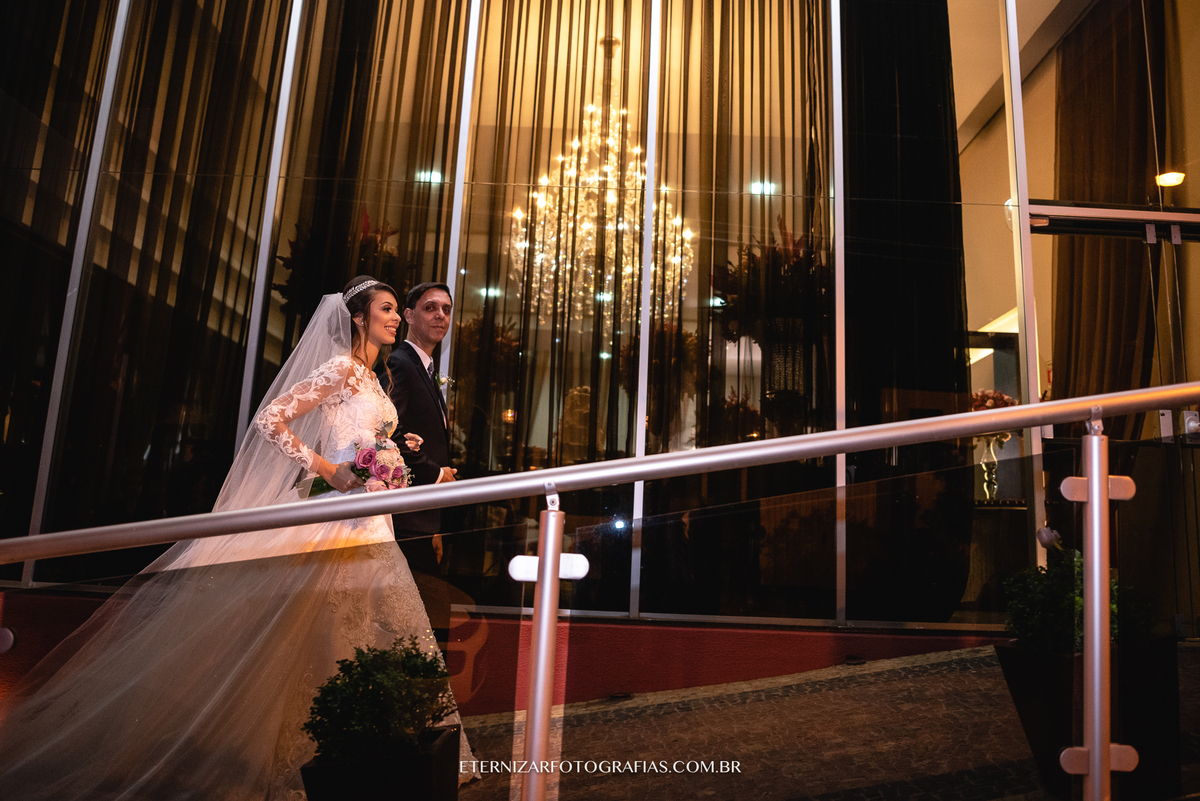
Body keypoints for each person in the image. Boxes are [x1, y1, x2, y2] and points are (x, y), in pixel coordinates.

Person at [0, 276, 477, 798]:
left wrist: (393, 447)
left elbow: (364, 437)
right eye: (387, 309)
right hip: (338, 516)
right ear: (359, 318)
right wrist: (331, 470)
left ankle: (369, 753)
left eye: (393, 310)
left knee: (368, 627)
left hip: (371, 520)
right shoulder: (341, 367)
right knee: (317, 629)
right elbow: (271, 419)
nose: (393, 317)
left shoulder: (372, 377)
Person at [376, 282, 456, 642]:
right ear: (408, 315)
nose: (441, 315)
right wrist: (435, 473)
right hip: (403, 516)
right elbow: (386, 432)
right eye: (430, 308)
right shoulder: (399, 362)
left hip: (423, 517)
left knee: (425, 618)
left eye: (446, 309)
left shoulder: (424, 367)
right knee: (420, 623)